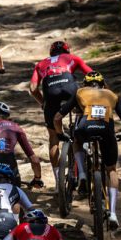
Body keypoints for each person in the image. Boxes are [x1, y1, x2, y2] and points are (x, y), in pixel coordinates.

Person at [54, 71, 121, 229]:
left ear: (85, 84)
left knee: (76, 140)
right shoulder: (112, 95)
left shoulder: (80, 92)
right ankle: (113, 213)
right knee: (111, 170)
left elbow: (57, 117)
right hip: (107, 131)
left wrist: (59, 133)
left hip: (86, 128)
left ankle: (82, 174)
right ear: (103, 85)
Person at [29, 41, 92, 187]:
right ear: (67, 51)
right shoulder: (73, 58)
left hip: (50, 90)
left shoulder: (41, 64)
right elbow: (91, 75)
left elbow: (32, 88)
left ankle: (58, 182)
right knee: (84, 116)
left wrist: (43, 103)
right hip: (69, 86)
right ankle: (85, 146)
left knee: (53, 138)